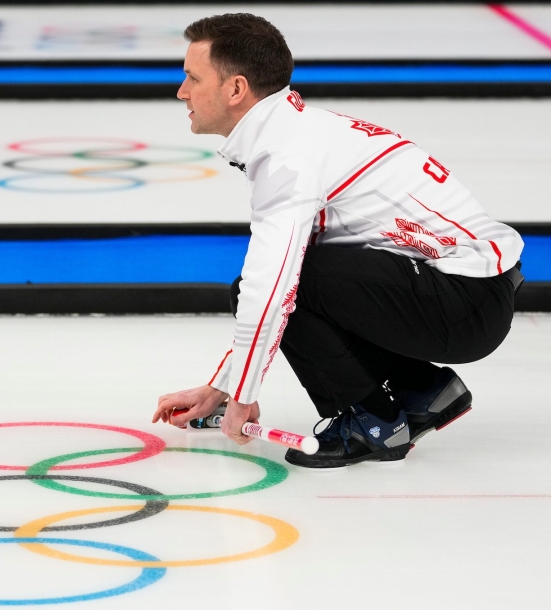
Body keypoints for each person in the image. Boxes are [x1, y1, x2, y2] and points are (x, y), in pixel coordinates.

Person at [151, 13, 524, 468]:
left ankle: (375, 424)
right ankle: (423, 390)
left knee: (290, 284)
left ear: (236, 89)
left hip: (465, 302)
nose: (181, 91)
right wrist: (221, 388)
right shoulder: (299, 131)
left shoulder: (287, 157)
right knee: (296, 278)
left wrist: (242, 395)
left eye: (192, 77)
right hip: (468, 294)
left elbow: (273, 290)